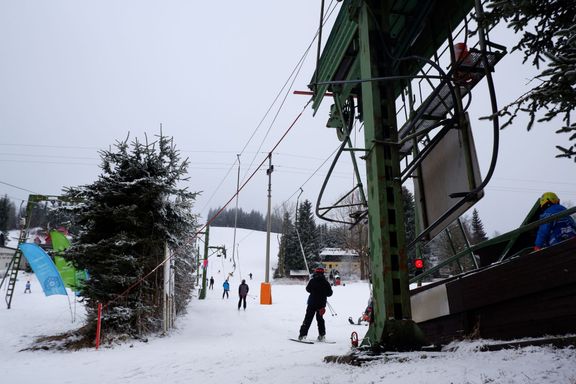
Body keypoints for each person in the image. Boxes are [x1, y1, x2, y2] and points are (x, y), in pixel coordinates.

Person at [298, 267, 333, 341]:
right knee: (320, 320)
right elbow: (330, 293)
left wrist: (314, 291)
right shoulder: (326, 282)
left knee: (307, 319)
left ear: (316, 272)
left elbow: (307, 289)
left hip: (311, 303)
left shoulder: (312, 280)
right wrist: (323, 293)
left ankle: (302, 335)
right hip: (321, 304)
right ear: (323, 273)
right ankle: (322, 335)